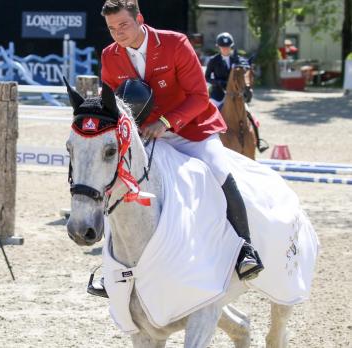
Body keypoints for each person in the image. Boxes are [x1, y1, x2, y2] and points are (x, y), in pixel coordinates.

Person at [92, 0, 264, 297]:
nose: (118, 33)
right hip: (146, 135)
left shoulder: (174, 43)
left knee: (218, 170)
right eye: (111, 28)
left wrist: (165, 122)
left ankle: (244, 249)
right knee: (115, 182)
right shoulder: (110, 56)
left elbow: (199, 96)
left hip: (192, 129)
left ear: (140, 19)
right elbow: (113, 103)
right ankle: (111, 269)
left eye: (124, 25)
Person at [204, 32, 252, 109]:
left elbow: (244, 71)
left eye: (227, 47)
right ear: (218, 47)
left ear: (231, 47)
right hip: (218, 93)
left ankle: (253, 121)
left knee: (247, 110)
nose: (225, 49)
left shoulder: (237, 59)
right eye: (222, 47)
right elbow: (206, 77)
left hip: (235, 92)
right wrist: (218, 82)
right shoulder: (213, 60)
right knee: (211, 110)